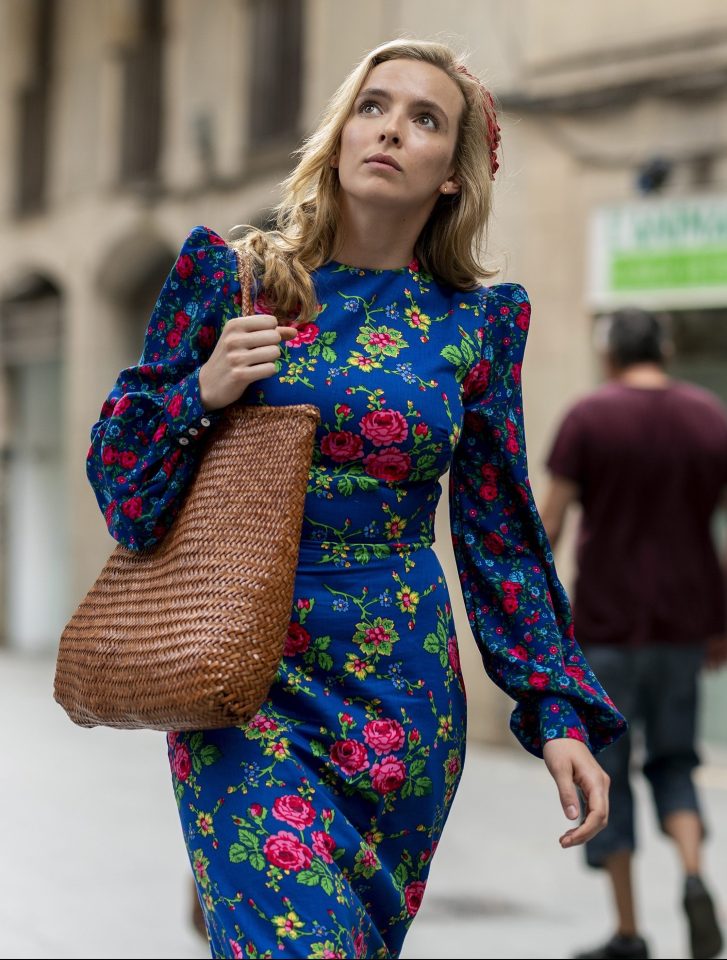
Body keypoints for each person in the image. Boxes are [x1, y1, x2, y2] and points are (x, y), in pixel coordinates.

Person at [86, 39, 626, 960]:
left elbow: (499, 535)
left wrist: (557, 713)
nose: (391, 129)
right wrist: (201, 392)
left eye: (424, 120)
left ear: (451, 176)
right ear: (339, 133)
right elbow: (120, 484)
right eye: (373, 106)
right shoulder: (231, 277)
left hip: (400, 696)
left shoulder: (478, 323)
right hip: (238, 675)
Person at [541, 308, 727, 960]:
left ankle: (627, 932)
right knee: (676, 762)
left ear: (608, 354)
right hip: (685, 623)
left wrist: (536, 630)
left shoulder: (588, 418)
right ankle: (696, 875)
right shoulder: (710, 418)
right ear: (666, 349)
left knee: (607, 774)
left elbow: (550, 525)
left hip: (605, 627)